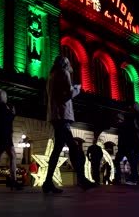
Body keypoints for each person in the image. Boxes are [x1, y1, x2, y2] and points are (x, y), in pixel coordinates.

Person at [42, 55, 96, 193]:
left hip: (54, 115)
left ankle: (48, 182)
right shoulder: (63, 73)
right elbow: (68, 94)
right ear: (65, 63)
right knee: (73, 146)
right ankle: (82, 179)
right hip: (62, 115)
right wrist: (78, 88)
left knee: (57, 150)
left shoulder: (51, 76)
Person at [113, 112, 139, 185]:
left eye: (118, 119)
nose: (117, 121)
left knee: (120, 162)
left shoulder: (124, 127)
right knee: (132, 163)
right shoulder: (124, 126)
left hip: (125, 148)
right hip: (125, 148)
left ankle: (120, 178)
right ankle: (135, 178)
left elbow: (126, 138)